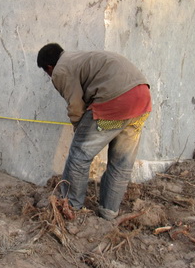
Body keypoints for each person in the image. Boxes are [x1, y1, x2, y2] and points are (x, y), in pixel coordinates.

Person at [37, 43, 152, 220]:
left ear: (49, 67)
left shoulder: (61, 69)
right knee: (121, 163)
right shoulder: (78, 58)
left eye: (47, 73)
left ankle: (71, 206)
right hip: (141, 99)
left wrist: (79, 131)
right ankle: (109, 212)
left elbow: (76, 106)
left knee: (79, 156)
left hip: (115, 101)